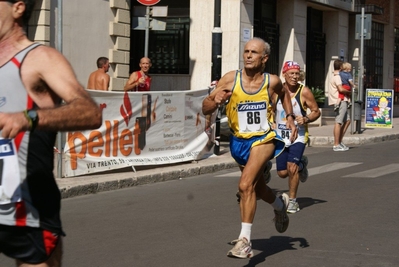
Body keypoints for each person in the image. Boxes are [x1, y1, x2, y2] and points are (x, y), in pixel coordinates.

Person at [0, 1, 102, 266]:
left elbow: (90, 112)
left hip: (26, 204)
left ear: (18, 8)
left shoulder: (39, 58)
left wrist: (27, 118)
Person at [202, 37, 298, 259]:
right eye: (246, 51)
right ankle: (279, 204)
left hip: (263, 138)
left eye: (253, 52)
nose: (248, 55)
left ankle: (244, 241)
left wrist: (290, 117)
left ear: (264, 58)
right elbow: (205, 108)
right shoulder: (230, 78)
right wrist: (215, 101)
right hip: (238, 141)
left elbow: (284, 94)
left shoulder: (271, 81)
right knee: (256, 189)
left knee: (244, 185)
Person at [273, 61, 321, 213]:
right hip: (280, 137)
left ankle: (292, 201)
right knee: (282, 173)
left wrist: (306, 119)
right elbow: (269, 108)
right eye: (291, 73)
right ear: (284, 74)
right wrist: (270, 122)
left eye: (297, 73)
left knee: (291, 168)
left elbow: (315, 111)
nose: (295, 77)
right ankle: (302, 165)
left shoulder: (304, 91)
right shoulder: (276, 91)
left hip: (298, 136)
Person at [328, 59, 351, 152]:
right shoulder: (337, 77)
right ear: (341, 67)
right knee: (339, 121)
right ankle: (336, 144)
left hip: (343, 100)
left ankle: (339, 141)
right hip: (340, 101)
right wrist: (350, 92)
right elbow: (341, 89)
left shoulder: (336, 76)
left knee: (347, 120)